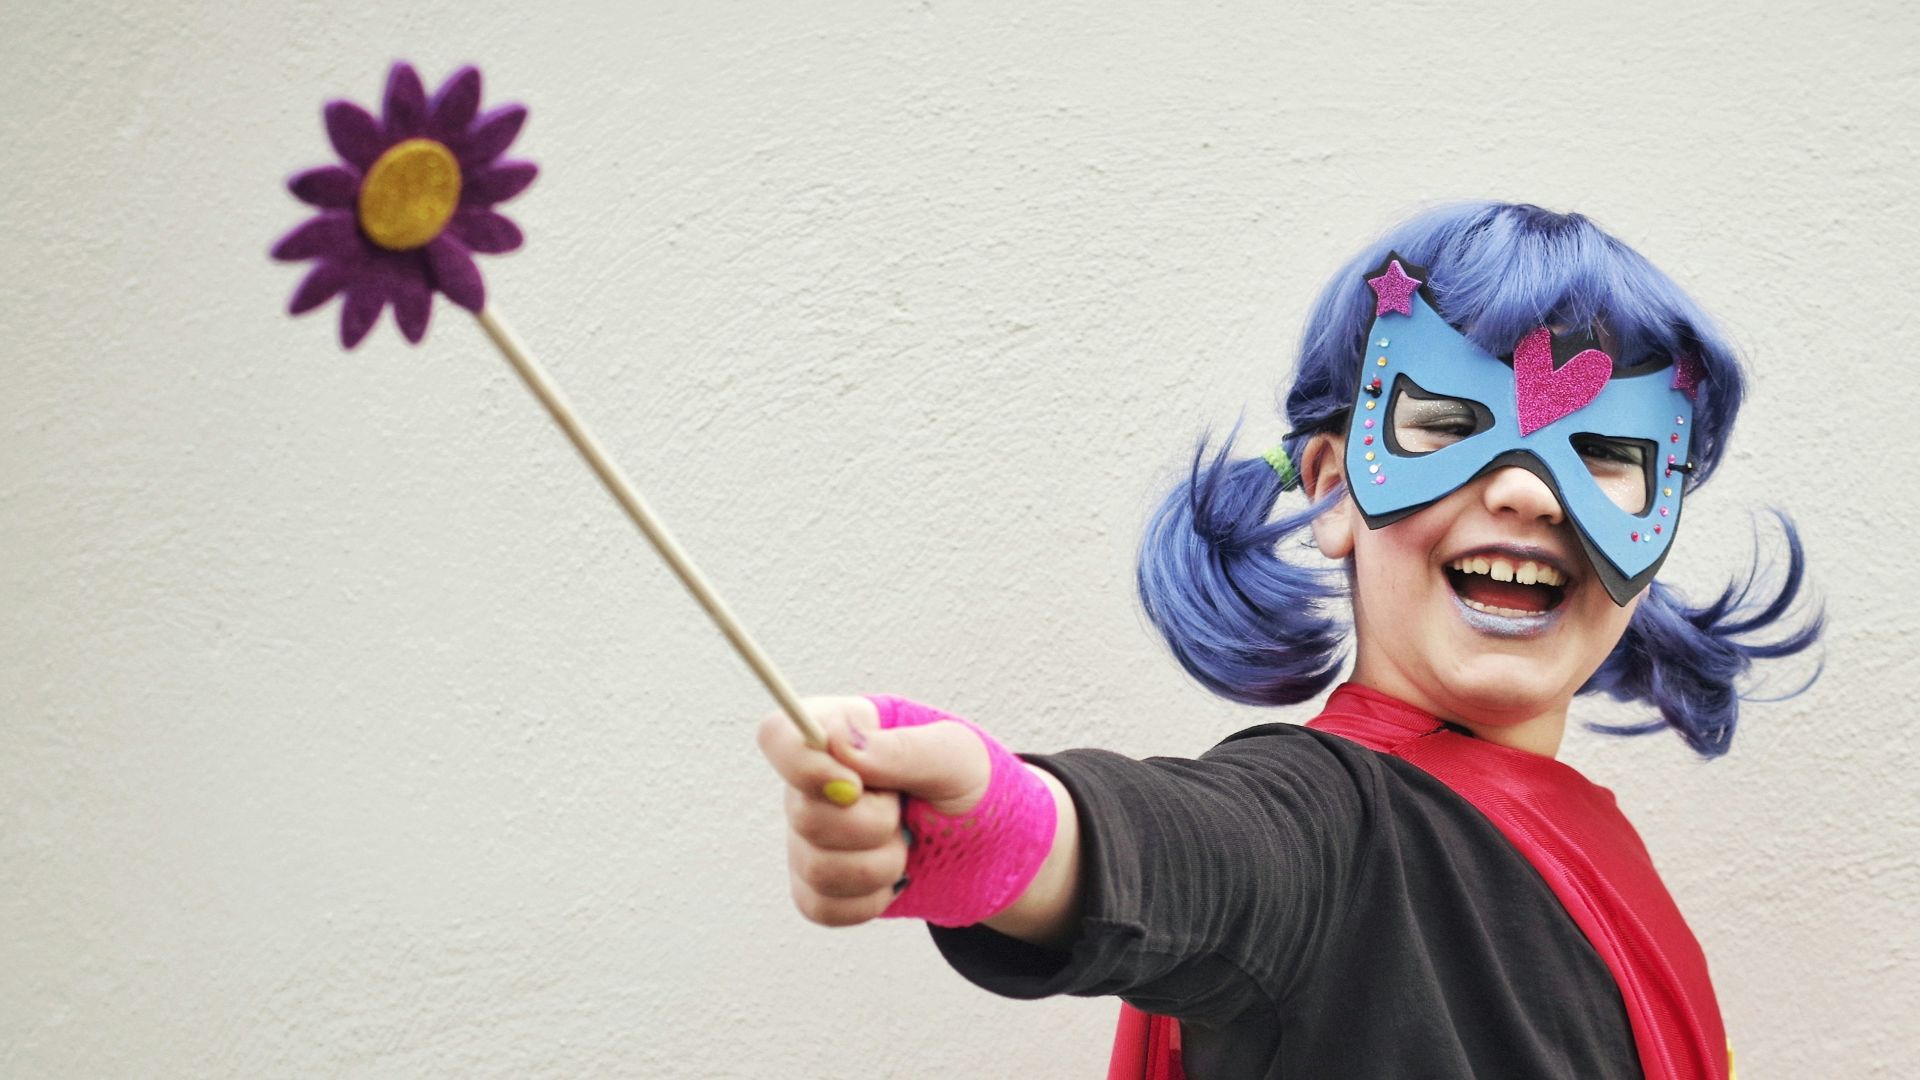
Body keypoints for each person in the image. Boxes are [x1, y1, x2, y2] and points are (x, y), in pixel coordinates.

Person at [755, 202, 1819, 1079]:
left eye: (1605, 451)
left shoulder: (1602, 848)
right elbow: (1199, 851)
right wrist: (995, 826)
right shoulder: (1330, 829)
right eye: (1449, 425)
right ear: (1330, 493)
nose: (1526, 490)